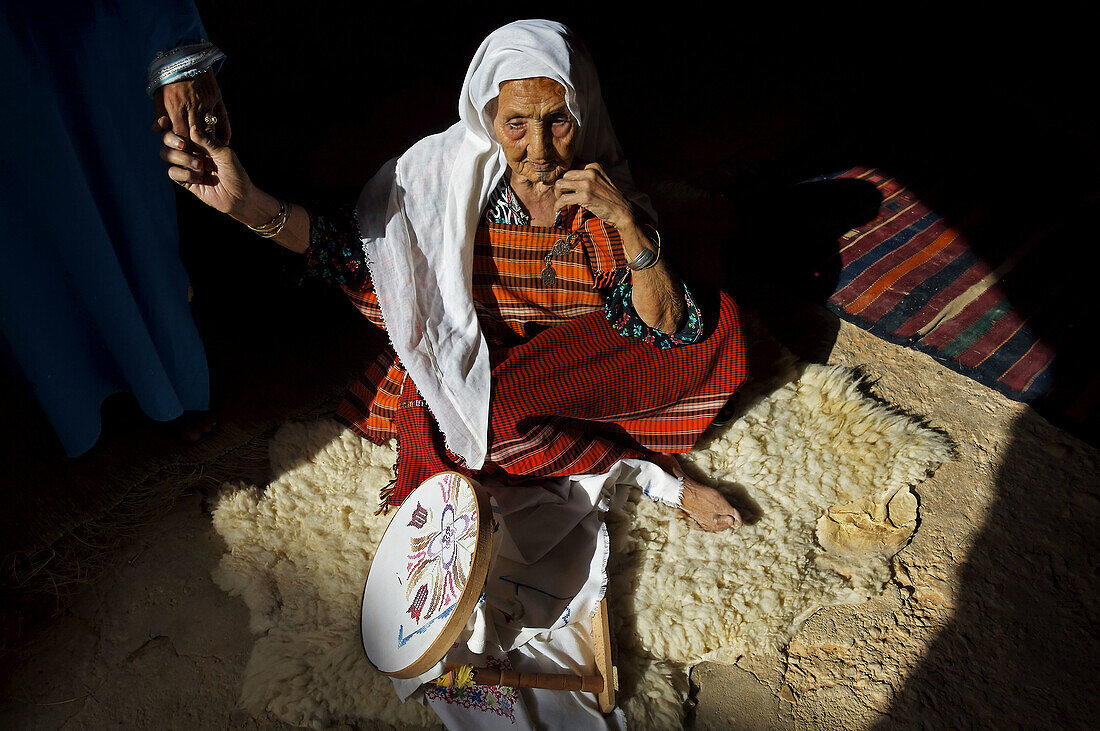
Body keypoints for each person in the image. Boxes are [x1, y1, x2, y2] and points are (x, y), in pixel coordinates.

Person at [156, 19, 747, 531]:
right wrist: (246, 204)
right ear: (488, 117)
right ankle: (631, 469)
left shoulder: (598, 201)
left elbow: (666, 324)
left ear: (583, 112)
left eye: (558, 122)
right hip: (496, 354)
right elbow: (361, 257)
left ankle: (647, 473)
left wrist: (626, 223)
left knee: (699, 333)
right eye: (516, 124)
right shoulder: (447, 183)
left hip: (583, 358)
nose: (538, 148)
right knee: (458, 408)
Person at [0, 0, 226, 457]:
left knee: (122, 184)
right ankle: (74, 399)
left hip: (71, 25)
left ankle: (169, 380)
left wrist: (178, 54)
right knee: (23, 234)